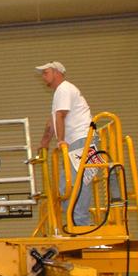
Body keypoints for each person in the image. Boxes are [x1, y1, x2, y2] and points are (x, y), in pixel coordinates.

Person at [36, 61, 95, 226]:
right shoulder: (60, 93)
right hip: (79, 141)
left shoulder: (64, 89)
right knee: (68, 183)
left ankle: (81, 223)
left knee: (75, 181)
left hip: (82, 140)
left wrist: (61, 140)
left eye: (46, 72)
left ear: (57, 72)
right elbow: (52, 122)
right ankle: (74, 221)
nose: (43, 77)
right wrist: (44, 143)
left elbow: (60, 115)